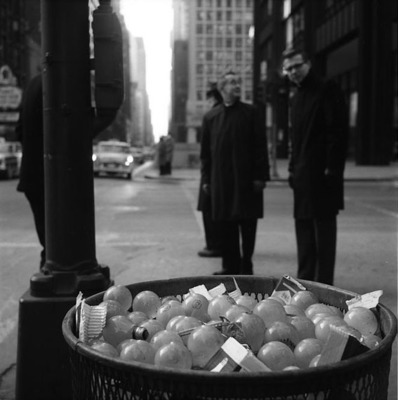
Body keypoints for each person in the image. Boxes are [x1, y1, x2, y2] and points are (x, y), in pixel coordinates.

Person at [282, 48, 348, 285]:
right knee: (304, 229)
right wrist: (291, 168)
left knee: (324, 230)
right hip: (301, 173)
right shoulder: (295, 97)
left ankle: (324, 282)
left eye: (296, 66)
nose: (292, 72)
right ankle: (306, 280)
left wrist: (332, 170)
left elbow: (337, 133)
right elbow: (295, 138)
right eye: (288, 69)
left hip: (323, 173)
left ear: (307, 63)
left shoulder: (327, 88)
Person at [200, 71, 270, 275]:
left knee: (248, 226)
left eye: (238, 81)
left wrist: (261, 176)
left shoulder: (251, 112)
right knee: (225, 226)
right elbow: (206, 153)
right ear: (222, 89)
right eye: (231, 82)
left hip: (247, 181)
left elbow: (260, 146)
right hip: (221, 182)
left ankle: (246, 266)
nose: (237, 85)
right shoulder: (211, 117)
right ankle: (229, 266)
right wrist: (206, 179)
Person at [16, 74, 46, 271]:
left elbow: (19, 130)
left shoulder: (33, 83)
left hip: (32, 175)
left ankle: (47, 269)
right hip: (52, 177)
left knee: (50, 244)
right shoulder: (61, 80)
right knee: (61, 246)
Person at [197, 88, 223, 258]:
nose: (207, 104)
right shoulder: (216, 115)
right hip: (212, 173)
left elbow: (206, 150)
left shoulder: (214, 117)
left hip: (213, 174)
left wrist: (206, 178)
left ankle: (214, 245)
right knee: (210, 211)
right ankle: (214, 244)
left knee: (210, 211)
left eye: (208, 100)